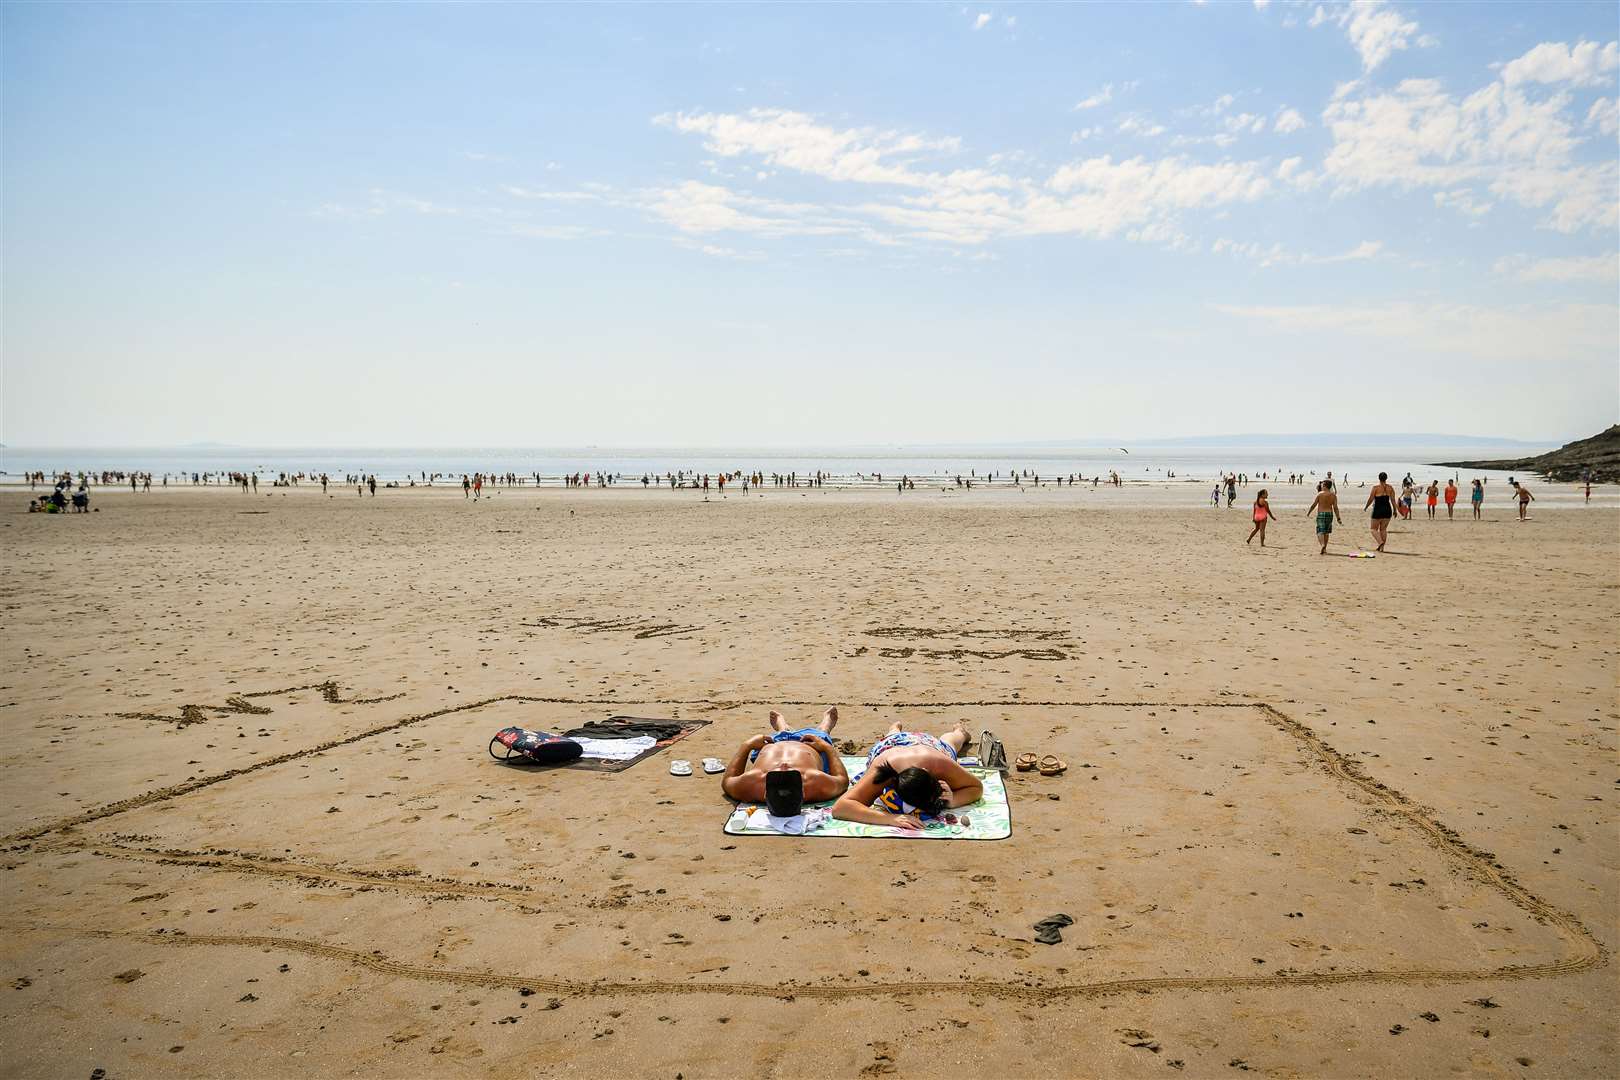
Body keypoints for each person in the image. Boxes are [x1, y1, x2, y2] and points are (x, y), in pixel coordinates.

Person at [832, 721, 982, 830]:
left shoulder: (939, 763)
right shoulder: (882, 771)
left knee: (951, 744)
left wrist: (953, 800)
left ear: (929, 772)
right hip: (889, 746)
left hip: (928, 746)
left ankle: (959, 732)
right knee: (891, 737)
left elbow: (976, 787)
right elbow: (840, 808)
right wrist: (890, 819)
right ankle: (894, 730)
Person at [720, 707, 849, 811]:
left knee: (778, 735)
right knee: (821, 734)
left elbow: (727, 781)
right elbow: (842, 781)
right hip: (810, 745)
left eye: (775, 774)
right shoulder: (816, 783)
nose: (784, 765)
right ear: (803, 792)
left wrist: (747, 746)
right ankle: (825, 726)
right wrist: (826, 747)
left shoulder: (752, 783)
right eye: (793, 773)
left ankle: (782, 729)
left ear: (765, 794)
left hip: (771, 744)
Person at [1305, 480, 1342, 555]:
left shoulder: (1320, 494)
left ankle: (1322, 545)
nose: (1321, 486)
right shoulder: (1333, 495)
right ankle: (1325, 549)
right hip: (1330, 514)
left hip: (1321, 513)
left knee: (1319, 531)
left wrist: (1309, 512)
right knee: (1326, 532)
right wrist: (1338, 518)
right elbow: (1335, 508)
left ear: (1325, 486)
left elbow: (1314, 505)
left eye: (1322, 485)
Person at [1365, 472, 1396, 552]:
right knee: (1383, 529)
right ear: (1386, 478)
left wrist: (1366, 506)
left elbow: (1371, 499)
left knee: (1373, 529)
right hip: (1387, 510)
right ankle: (1382, 548)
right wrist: (1395, 510)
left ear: (1379, 478)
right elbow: (1393, 500)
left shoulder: (1375, 488)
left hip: (1378, 510)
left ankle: (1380, 542)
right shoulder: (1390, 488)